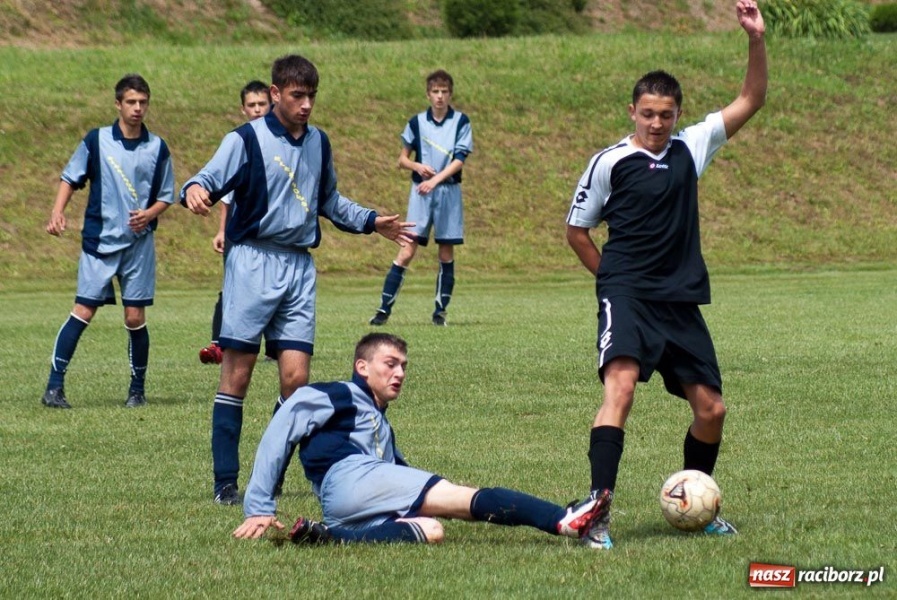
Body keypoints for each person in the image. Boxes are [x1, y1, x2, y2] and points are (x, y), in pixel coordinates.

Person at [564, 0, 767, 550]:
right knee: (621, 388)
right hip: (628, 294)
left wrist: (754, 38)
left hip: (680, 300)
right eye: (648, 113)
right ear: (632, 110)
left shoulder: (691, 146)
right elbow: (577, 232)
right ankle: (596, 514)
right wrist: (613, 282)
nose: (657, 123)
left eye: (667, 114)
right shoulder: (609, 162)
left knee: (712, 409)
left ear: (678, 114)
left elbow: (752, 99)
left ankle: (694, 500)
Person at [181, 55, 414, 506]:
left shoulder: (319, 143)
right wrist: (194, 189)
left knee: (296, 382)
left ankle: (271, 475)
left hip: (298, 267)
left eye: (311, 96)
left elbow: (329, 200)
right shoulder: (244, 139)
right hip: (252, 261)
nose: (306, 105)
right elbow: (206, 177)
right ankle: (225, 483)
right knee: (238, 375)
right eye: (297, 96)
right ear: (275, 94)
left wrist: (370, 221)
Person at [233, 333, 611, 544]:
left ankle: (331, 538)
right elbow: (281, 428)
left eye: (403, 367)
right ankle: (563, 520)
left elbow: (397, 471)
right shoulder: (338, 393)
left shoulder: (380, 424)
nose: (399, 373)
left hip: (343, 506)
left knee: (431, 530)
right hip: (347, 478)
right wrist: (260, 505)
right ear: (362, 367)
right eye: (390, 364)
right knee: (458, 496)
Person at [41, 73, 175, 409]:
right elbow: (70, 178)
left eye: (143, 102)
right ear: (118, 104)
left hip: (139, 246)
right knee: (83, 310)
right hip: (99, 243)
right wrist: (57, 212)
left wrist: (150, 213)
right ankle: (54, 388)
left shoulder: (157, 147)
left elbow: (167, 195)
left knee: (134, 317)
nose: (137, 108)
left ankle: (137, 391)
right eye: (131, 102)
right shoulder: (97, 140)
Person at [369, 69, 473, 327]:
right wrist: (417, 167)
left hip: (448, 192)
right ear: (428, 94)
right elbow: (402, 160)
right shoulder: (416, 122)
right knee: (406, 250)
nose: (439, 97)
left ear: (450, 94)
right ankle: (383, 310)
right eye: (435, 92)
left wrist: (435, 180)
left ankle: (440, 312)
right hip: (421, 195)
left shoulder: (461, 122)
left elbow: (459, 160)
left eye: (444, 92)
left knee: (446, 252)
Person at [199, 80, 272, 365]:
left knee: (268, 287)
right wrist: (221, 230)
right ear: (243, 109)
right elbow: (228, 193)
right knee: (232, 284)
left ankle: (274, 346)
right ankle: (218, 343)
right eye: (251, 105)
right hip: (239, 231)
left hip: (271, 232)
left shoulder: (280, 143)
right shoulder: (240, 142)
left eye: (261, 104)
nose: (256, 110)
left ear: (272, 105)